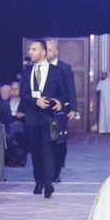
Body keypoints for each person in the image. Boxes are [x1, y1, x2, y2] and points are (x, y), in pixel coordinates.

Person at [18, 39, 67, 198]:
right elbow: (23, 94)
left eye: (34, 49)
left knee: (49, 151)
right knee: (36, 152)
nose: (29, 52)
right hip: (32, 118)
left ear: (43, 52)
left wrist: (59, 101)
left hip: (49, 118)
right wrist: (35, 101)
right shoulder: (27, 72)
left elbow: (64, 92)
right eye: (30, 49)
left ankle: (48, 184)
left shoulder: (56, 71)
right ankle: (38, 181)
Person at [46, 40, 78, 182]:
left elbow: (70, 88)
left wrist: (74, 108)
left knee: (59, 140)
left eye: (50, 50)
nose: (47, 53)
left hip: (61, 109)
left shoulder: (64, 68)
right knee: (46, 140)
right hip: (44, 110)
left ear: (56, 52)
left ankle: (57, 170)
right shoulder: (39, 67)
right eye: (46, 50)